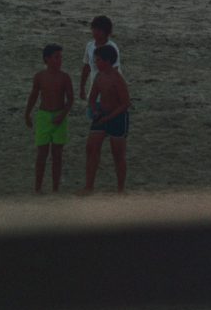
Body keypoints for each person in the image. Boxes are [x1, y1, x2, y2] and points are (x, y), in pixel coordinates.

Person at [80, 45, 131, 195]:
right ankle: (89, 187)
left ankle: (120, 189)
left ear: (107, 61)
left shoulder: (117, 79)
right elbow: (92, 98)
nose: (96, 63)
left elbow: (125, 103)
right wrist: (95, 111)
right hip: (102, 115)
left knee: (118, 154)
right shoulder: (99, 76)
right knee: (91, 148)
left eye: (98, 60)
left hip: (118, 117)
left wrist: (109, 117)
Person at [24, 44, 74, 193]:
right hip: (44, 116)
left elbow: (70, 99)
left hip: (60, 116)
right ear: (47, 59)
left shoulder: (65, 77)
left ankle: (55, 189)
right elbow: (34, 96)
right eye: (56, 57)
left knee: (57, 155)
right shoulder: (40, 76)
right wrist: (27, 113)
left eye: (60, 57)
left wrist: (62, 115)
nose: (59, 60)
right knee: (42, 154)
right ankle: (37, 188)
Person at [79, 15, 120, 101]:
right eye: (94, 29)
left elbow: (114, 71)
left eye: (99, 30)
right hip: (94, 89)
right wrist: (82, 87)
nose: (95, 32)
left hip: (109, 92)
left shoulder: (112, 48)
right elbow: (86, 67)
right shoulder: (90, 46)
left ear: (106, 32)